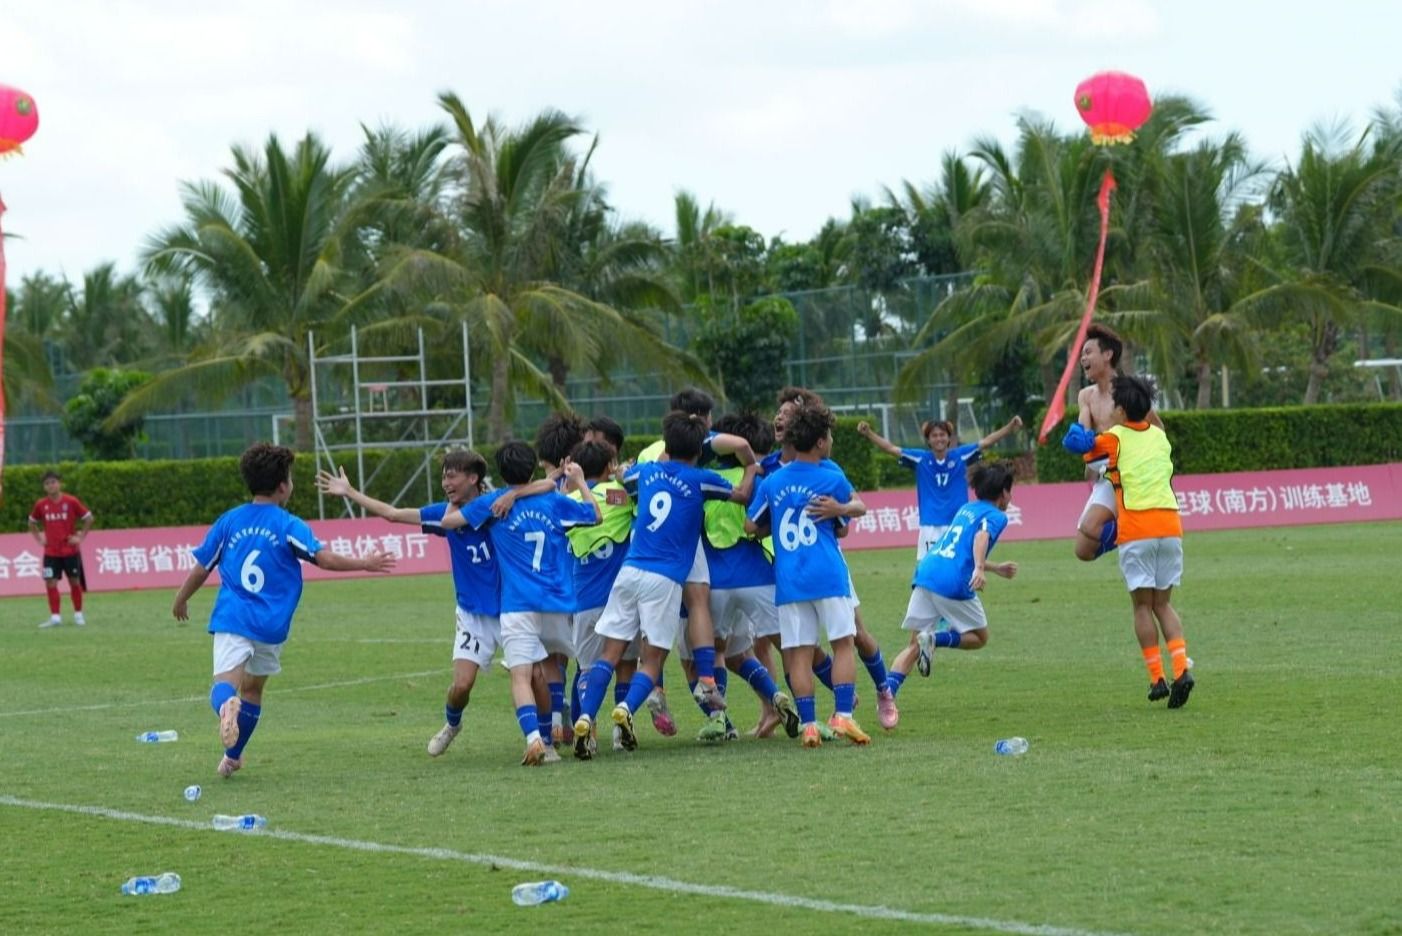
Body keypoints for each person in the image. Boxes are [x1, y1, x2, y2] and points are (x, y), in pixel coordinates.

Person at [172, 443, 395, 779]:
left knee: (225, 686)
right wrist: (364, 563)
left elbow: (201, 567)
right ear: (283, 486)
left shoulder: (229, 521)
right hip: (271, 625)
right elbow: (323, 558)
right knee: (253, 691)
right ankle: (232, 757)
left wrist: (181, 598)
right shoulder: (288, 524)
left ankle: (224, 709)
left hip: (234, 618)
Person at [315, 450, 523, 758]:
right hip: (471, 614)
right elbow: (394, 514)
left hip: (511, 609)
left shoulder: (500, 507)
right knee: (461, 686)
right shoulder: (445, 516)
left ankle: (550, 727)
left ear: (473, 478)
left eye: (452, 476)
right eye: (443, 476)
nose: (445, 483)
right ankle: (452, 725)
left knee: (535, 677)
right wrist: (351, 492)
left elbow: (533, 489)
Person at [571, 411, 753, 758]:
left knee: (607, 656)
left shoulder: (645, 472)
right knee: (652, 660)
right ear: (699, 450)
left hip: (629, 572)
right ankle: (625, 711)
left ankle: (584, 716)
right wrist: (750, 470)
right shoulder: (702, 479)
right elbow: (743, 496)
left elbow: (623, 483)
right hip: (663, 580)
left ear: (665, 446)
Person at [459, 442, 601, 765]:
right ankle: (584, 725)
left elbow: (453, 521)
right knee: (579, 664)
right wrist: (579, 483)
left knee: (521, 675)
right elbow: (594, 515)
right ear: (532, 468)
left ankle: (538, 740)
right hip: (557, 599)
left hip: (517, 603)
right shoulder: (553, 501)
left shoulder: (493, 505)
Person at [745, 402, 870, 748]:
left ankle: (810, 724)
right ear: (819, 442)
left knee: (798, 653)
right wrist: (840, 509)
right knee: (843, 643)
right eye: (828, 435)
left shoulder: (773, 482)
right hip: (828, 575)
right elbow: (853, 514)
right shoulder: (832, 477)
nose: (830, 441)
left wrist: (777, 520)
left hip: (790, 579)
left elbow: (750, 525)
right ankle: (843, 716)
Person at [1068, 374, 1195, 708]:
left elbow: (1080, 449)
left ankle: (1157, 679)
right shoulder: (1160, 438)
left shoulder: (1114, 437)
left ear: (1121, 409)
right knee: (1163, 604)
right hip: (1170, 527)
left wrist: (1080, 428)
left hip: (1137, 530)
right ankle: (1182, 668)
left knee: (1141, 606)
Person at [884, 463, 1019, 707]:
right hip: (951, 583)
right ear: (1003, 493)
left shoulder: (966, 509)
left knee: (914, 646)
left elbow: (957, 551)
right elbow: (981, 537)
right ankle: (936, 639)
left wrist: (994, 567)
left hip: (926, 573)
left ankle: (887, 695)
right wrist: (979, 568)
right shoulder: (997, 516)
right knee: (979, 637)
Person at [856, 413, 1023, 561]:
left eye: (942, 434)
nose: (939, 438)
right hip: (930, 526)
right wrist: (869, 433)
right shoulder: (920, 459)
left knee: (960, 565)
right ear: (928, 440)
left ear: (949, 438)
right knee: (927, 568)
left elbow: (986, 442)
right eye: (934, 435)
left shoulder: (960, 456)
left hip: (957, 523)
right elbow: (891, 448)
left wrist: (1010, 427)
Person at [563, 438, 640, 753]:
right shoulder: (620, 496)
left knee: (587, 668)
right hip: (620, 597)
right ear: (609, 465)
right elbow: (638, 501)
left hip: (585, 598)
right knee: (626, 664)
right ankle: (621, 736)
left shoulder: (568, 501)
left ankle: (588, 730)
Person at [1071, 323, 1163, 562]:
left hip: (1129, 476)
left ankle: (1134, 530)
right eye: (1082, 354)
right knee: (1083, 550)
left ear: (1108, 355)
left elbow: (1158, 429)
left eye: (1088, 352)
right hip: (1104, 475)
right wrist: (1080, 438)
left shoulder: (1129, 391)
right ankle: (1133, 530)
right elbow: (1084, 431)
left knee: (1091, 527)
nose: (1083, 358)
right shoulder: (1086, 396)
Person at [29, 470, 94, 628]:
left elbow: (89, 518)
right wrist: (39, 538)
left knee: (74, 581)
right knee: (50, 583)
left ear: (59, 483)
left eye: (53, 482)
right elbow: (31, 522)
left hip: (70, 551)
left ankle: (78, 614)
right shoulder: (41, 505)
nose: (51, 485)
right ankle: (55, 617)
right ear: (44, 487)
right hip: (51, 553)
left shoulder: (71, 501)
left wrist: (80, 537)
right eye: (47, 483)